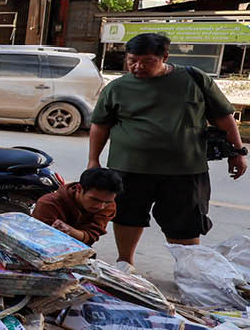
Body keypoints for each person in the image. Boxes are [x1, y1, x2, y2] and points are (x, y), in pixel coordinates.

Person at [88, 32, 247, 271]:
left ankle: (188, 270)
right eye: (132, 60)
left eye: (147, 61)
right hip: (129, 166)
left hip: (185, 169)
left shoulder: (194, 79)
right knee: (127, 214)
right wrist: (93, 160)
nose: (137, 67)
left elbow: (223, 118)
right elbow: (100, 125)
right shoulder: (117, 88)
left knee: (186, 222)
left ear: (165, 56)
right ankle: (125, 262)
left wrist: (237, 152)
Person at [32, 167, 122, 245]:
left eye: (107, 202)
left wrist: (70, 231)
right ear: (79, 189)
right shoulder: (48, 204)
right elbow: (38, 239)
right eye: (94, 200)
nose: (100, 206)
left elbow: (91, 236)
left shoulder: (108, 206)